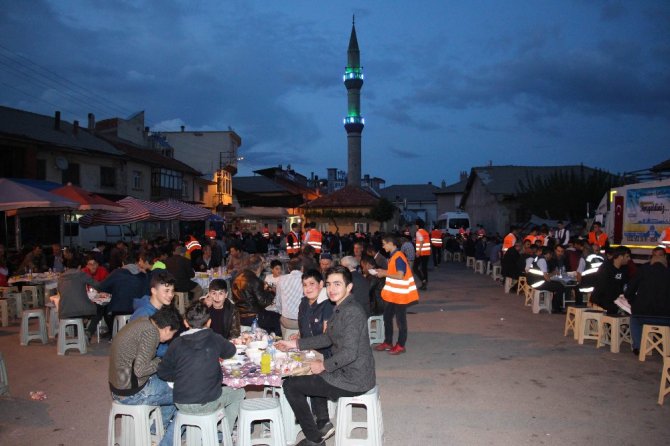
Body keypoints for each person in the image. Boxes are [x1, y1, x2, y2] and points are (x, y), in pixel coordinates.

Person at [277, 266, 376, 446]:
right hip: (346, 371)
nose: (332, 289)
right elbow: (328, 338)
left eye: (337, 284)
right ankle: (322, 423)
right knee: (306, 374)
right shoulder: (340, 307)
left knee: (291, 385)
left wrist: (323, 365)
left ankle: (314, 440)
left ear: (349, 287)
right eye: (329, 284)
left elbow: (349, 353)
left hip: (354, 378)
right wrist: (295, 344)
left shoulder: (351, 312)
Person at [157, 301, 245, 434]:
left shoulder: (176, 343)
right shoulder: (215, 338)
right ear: (209, 322)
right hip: (208, 402)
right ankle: (223, 433)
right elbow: (231, 351)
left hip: (181, 402)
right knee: (239, 393)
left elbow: (162, 372)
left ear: (186, 323)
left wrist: (183, 375)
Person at [108, 305, 182, 446]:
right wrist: (162, 361)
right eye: (172, 334)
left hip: (119, 385)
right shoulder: (151, 333)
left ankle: (154, 431)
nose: (169, 339)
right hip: (131, 392)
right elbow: (141, 370)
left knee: (167, 383)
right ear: (167, 328)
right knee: (182, 393)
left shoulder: (142, 321)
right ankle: (160, 438)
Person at [375, 235, 419, 354]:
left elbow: (400, 275)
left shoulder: (398, 256)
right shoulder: (394, 256)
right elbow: (394, 273)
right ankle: (388, 342)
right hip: (394, 295)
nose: (383, 246)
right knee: (387, 317)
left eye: (384, 244)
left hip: (400, 296)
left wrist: (384, 273)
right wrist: (383, 271)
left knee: (401, 321)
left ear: (391, 243)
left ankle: (400, 345)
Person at [96, 251, 152, 340]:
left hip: (119, 309)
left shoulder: (116, 273)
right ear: (136, 263)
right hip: (138, 309)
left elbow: (102, 286)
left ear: (123, 263)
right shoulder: (143, 274)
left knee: (105, 308)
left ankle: (113, 333)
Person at [624, 247, 670, 353]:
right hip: (667, 317)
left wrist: (634, 302)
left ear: (651, 258)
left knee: (634, 319)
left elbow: (629, 292)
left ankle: (638, 347)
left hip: (643, 315)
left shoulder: (643, 270)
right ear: (665, 258)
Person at [130, 271, 178, 357]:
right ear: (154, 291)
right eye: (166, 291)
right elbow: (146, 348)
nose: (171, 295)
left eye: (172, 291)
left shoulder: (164, 308)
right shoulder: (143, 314)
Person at [232, 254, 281, 334]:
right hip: (253, 316)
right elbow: (264, 302)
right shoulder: (254, 280)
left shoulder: (237, 278)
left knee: (270, 318)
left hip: (240, 316)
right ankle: (275, 343)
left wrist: (263, 289)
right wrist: (272, 292)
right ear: (259, 267)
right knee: (278, 318)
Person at [57, 257, 100, 340]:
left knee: (76, 309)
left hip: (64, 310)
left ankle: (79, 334)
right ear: (79, 266)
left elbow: (60, 291)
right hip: (80, 310)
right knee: (98, 309)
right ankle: (89, 332)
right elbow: (97, 285)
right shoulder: (81, 274)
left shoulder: (61, 277)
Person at [591, 246, 631, 314]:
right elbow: (602, 288)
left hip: (616, 299)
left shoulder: (624, 269)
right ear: (620, 256)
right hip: (601, 298)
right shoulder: (606, 268)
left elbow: (625, 285)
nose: (629, 259)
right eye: (627, 256)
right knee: (618, 310)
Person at [275, 257, 304, 338]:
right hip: (303, 321)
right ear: (302, 268)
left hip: (286, 321)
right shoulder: (306, 279)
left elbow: (278, 302)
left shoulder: (281, 279)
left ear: (288, 268)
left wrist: (282, 312)